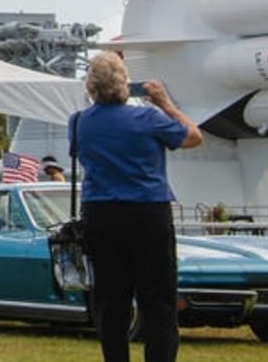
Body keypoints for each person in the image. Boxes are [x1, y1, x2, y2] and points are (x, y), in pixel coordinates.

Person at [75, 51, 201, 362]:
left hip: (101, 212)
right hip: (147, 210)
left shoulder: (78, 122)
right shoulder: (148, 118)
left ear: (91, 86)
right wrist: (165, 103)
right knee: (157, 300)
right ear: (124, 83)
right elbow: (193, 137)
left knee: (111, 300)